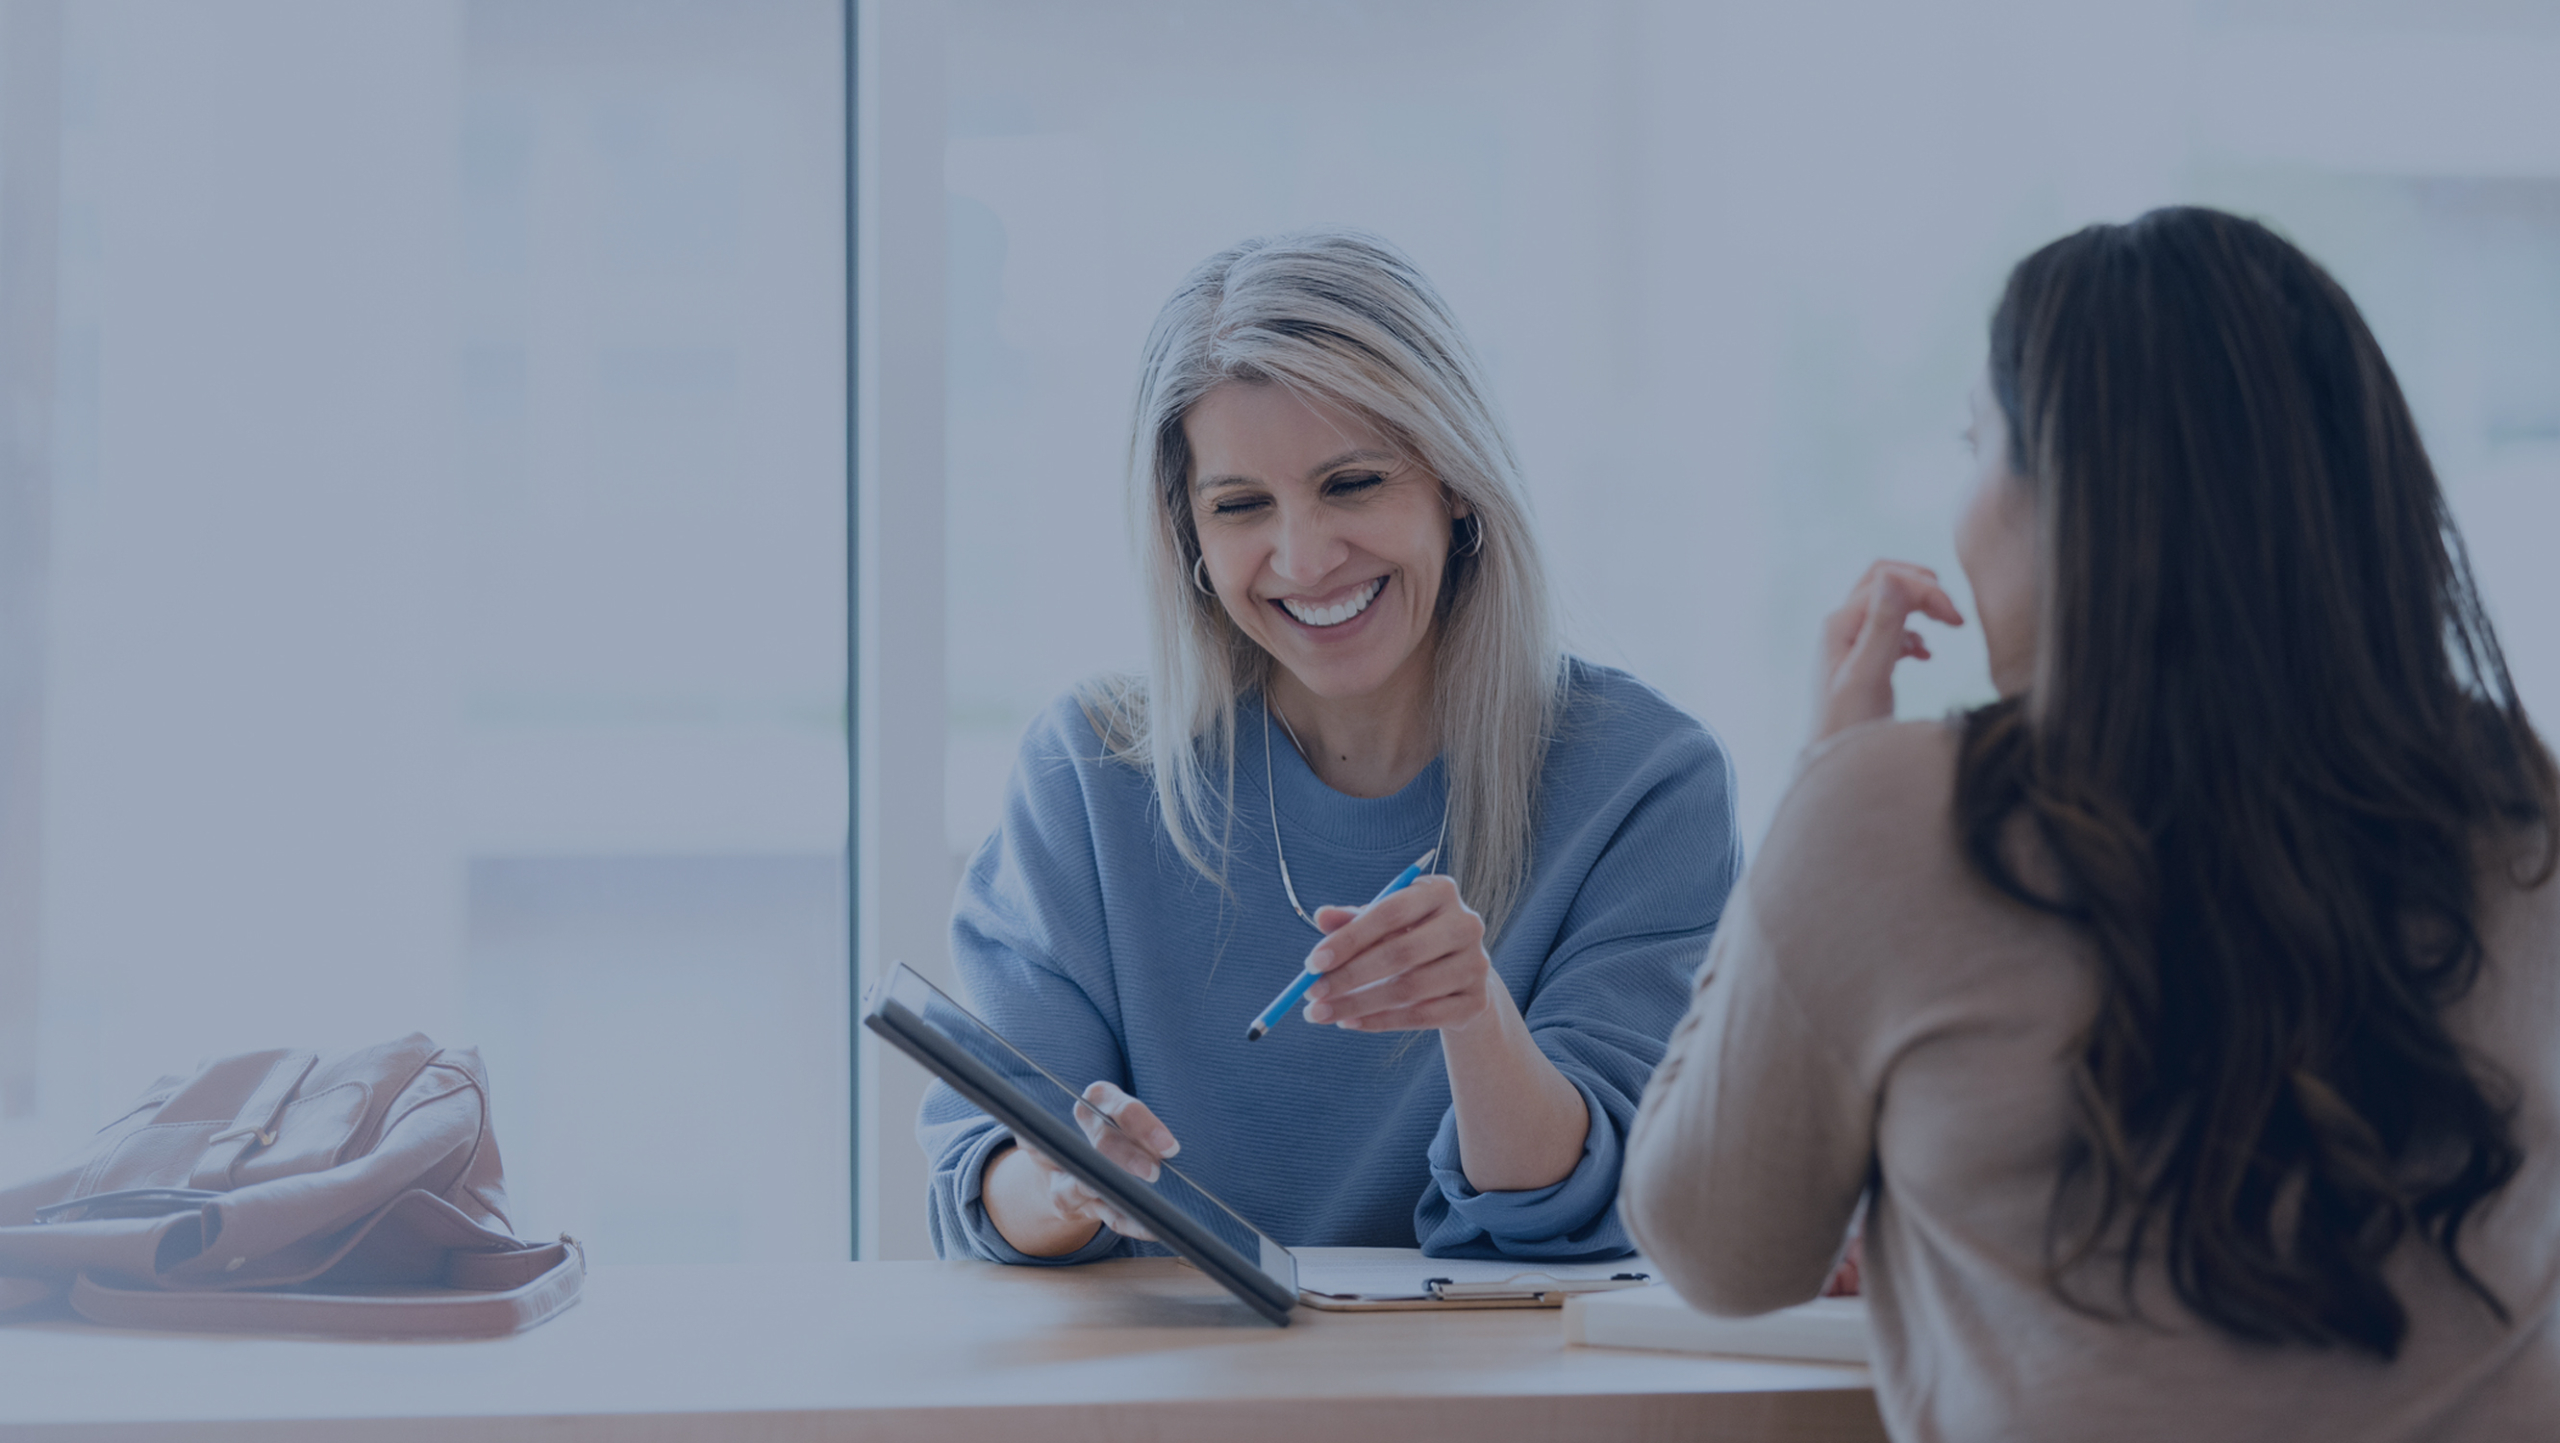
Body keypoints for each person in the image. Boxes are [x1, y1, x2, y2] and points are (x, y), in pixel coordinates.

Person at [1623, 206, 2559, 1440]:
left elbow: (1719, 1251)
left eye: (1975, 440)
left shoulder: (1893, 810)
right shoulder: (2516, 804)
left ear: (2069, 488)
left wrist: (1822, 778)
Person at [923, 228, 1738, 1263]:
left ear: (1453, 482)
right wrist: (1063, 1177)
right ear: (1188, 538)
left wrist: (1474, 1015)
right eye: (1240, 506)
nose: (1304, 559)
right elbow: (981, 1180)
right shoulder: (1086, 773)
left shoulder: (1643, 783)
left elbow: (1585, 1205)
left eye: (1352, 485)